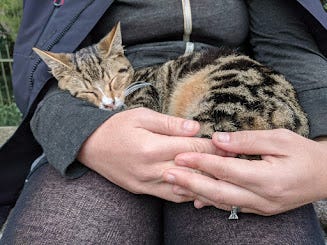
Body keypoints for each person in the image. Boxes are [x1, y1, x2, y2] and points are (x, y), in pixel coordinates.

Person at [0, 0, 326, 244]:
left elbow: (290, 47)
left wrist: (323, 158)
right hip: (94, 122)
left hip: (220, 88)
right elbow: (38, 76)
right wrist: (83, 134)